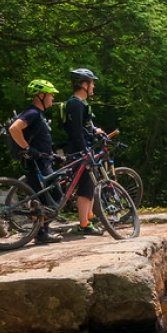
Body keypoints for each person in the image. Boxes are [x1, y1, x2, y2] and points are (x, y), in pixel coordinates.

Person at [8, 79, 63, 244]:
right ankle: (41, 232)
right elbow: (14, 129)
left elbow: (40, 139)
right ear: (41, 95)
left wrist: (52, 155)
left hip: (42, 161)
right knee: (52, 196)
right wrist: (27, 148)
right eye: (50, 94)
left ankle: (42, 231)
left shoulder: (39, 114)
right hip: (35, 163)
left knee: (44, 197)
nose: (52, 98)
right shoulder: (32, 112)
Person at [64, 67, 105, 236]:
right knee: (85, 187)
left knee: (90, 184)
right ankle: (83, 224)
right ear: (83, 84)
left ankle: (89, 216)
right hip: (80, 150)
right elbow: (76, 132)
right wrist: (84, 151)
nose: (93, 87)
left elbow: (83, 127)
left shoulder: (79, 104)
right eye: (92, 83)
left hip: (83, 148)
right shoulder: (76, 104)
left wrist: (94, 131)